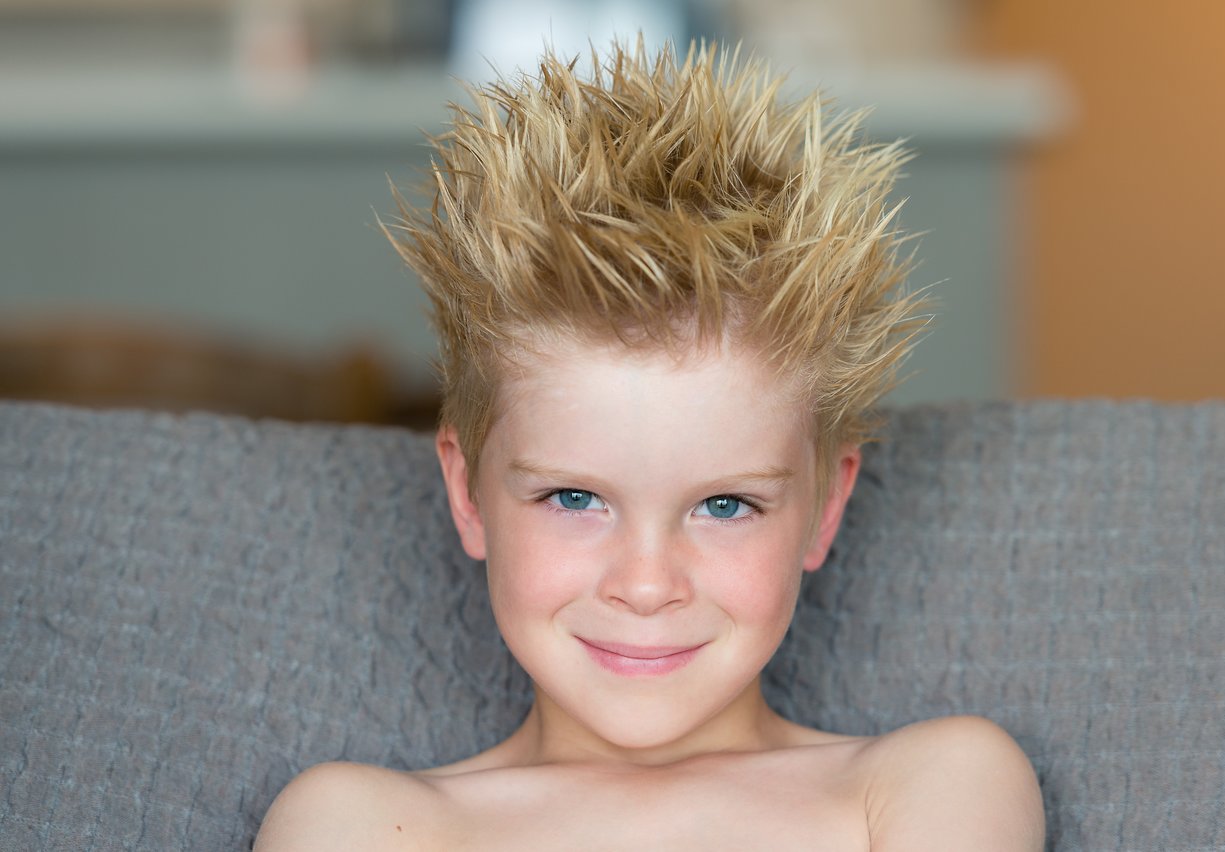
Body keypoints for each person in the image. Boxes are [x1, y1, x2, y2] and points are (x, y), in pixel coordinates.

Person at [256, 36, 1044, 850]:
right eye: (574, 497)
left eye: (726, 504)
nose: (645, 585)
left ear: (825, 505)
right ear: (466, 492)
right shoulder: (363, 822)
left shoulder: (931, 783)